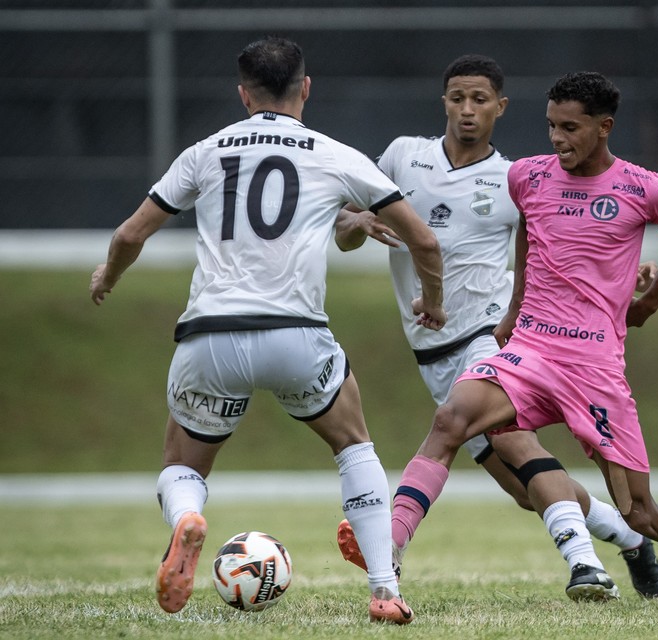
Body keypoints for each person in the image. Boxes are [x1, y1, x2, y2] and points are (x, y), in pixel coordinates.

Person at [339, 71, 658, 608]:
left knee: (641, 512)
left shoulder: (645, 187)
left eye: (570, 128)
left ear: (604, 127)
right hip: (530, 351)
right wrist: (515, 315)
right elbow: (529, 236)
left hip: (594, 367)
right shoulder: (527, 177)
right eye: (550, 126)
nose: (557, 139)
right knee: (452, 420)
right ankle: (389, 546)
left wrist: (650, 300)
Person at [89, 36, 447, 624]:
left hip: (210, 335)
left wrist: (109, 273)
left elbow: (131, 234)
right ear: (305, 87)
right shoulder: (334, 154)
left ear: (242, 93)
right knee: (353, 444)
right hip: (296, 336)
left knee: (183, 464)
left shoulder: (205, 152)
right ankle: (384, 590)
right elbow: (424, 240)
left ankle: (185, 520)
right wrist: (431, 301)